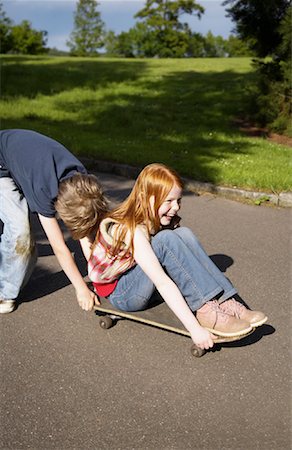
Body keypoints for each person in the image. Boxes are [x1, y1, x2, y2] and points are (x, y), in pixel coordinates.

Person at [88, 163, 267, 350]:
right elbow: (162, 282)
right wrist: (194, 329)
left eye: (178, 200)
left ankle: (225, 301)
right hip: (122, 293)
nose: (175, 207)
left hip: (136, 278)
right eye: (169, 201)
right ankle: (206, 311)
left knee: (184, 234)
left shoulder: (151, 217)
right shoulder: (132, 231)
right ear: (146, 198)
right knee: (165, 240)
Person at [0, 129, 107, 314]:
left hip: (26, 159)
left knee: (26, 246)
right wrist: (81, 288)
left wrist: (98, 274)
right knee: (20, 230)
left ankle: (19, 266)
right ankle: (4, 292)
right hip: (2, 162)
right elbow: (59, 248)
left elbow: (84, 234)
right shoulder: (43, 190)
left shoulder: (83, 180)